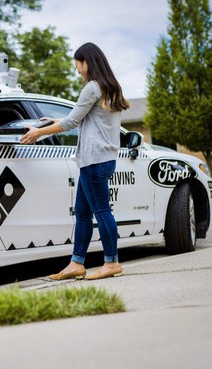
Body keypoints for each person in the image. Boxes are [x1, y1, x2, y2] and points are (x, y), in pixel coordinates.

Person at [19, 42, 130, 280]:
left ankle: (111, 263)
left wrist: (38, 133)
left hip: (94, 160)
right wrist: (52, 121)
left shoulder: (92, 87)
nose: (78, 70)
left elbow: (71, 122)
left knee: (101, 212)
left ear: (87, 62)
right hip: (102, 159)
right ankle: (77, 263)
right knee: (82, 212)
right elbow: (81, 117)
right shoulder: (110, 87)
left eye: (78, 65)